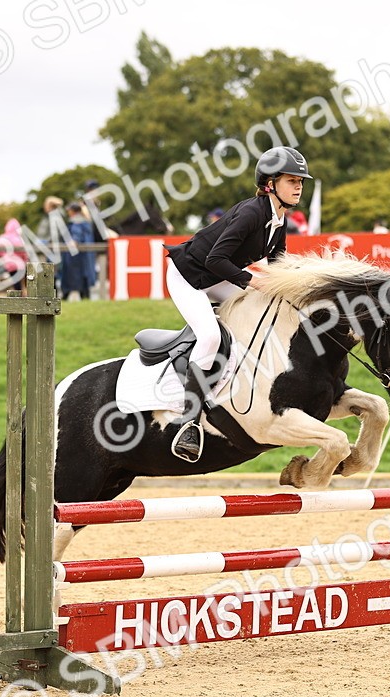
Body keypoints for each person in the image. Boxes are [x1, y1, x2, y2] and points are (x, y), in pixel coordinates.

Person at [163, 145, 312, 462]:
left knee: (262, 314)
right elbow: (217, 258)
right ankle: (187, 422)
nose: (298, 186)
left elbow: (278, 266)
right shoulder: (251, 213)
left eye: (301, 181)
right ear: (270, 183)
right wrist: (252, 281)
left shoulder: (279, 220)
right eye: (291, 180)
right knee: (211, 336)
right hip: (188, 276)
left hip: (216, 276)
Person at [59, 202, 95, 300]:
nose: (68, 212)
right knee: (84, 279)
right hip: (85, 257)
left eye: (69, 210)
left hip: (75, 258)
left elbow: (76, 237)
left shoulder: (76, 222)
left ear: (73, 211)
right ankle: (85, 297)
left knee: (70, 278)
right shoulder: (86, 222)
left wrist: (73, 242)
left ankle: (65, 296)